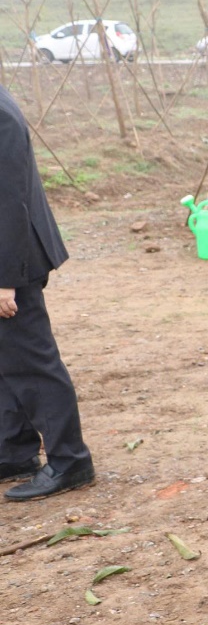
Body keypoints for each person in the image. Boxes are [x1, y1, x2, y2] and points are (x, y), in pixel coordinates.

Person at [1, 82, 96, 502]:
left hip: (12, 258)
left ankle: (70, 460)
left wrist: (4, 278)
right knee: (6, 360)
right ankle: (13, 451)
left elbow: (9, 200)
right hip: (8, 256)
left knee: (32, 361)